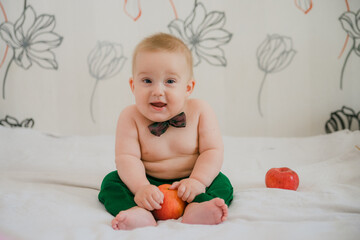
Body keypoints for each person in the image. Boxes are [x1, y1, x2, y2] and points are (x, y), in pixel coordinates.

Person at [98, 33, 233, 230]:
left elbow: (212, 151)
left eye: (169, 81)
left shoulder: (201, 111)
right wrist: (141, 188)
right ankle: (138, 210)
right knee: (111, 183)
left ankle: (198, 206)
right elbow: (127, 158)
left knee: (222, 183)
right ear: (132, 85)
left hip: (191, 179)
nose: (158, 91)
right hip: (147, 180)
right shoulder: (130, 117)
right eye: (147, 81)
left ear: (188, 87)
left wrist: (197, 181)